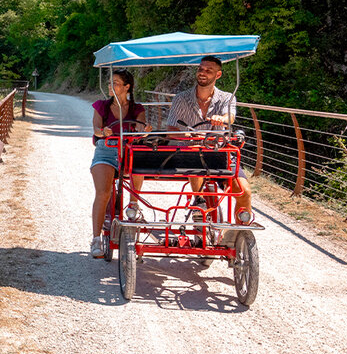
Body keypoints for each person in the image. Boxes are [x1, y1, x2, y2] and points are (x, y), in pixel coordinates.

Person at [164, 55, 253, 223]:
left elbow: (230, 117)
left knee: (244, 192)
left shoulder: (227, 98)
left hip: (220, 153)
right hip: (190, 151)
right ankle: (199, 200)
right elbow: (171, 130)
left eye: (208, 70)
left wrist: (222, 119)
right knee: (195, 156)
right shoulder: (181, 98)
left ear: (218, 75)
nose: (202, 73)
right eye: (200, 69)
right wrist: (189, 136)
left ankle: (241, 229)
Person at [90, 69, 148, 258]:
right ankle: (96, 239)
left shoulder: (137, 109)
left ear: (126, 87)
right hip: (106, 150)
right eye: (110, 82)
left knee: (139, 167)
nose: (110, 86)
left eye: (115, 83)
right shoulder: (101, 106)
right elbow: (96, 129)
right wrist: (103, 132)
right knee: (103, 192)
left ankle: (133, 205)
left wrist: (144, 131)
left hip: (128, 150)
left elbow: (140, 128)